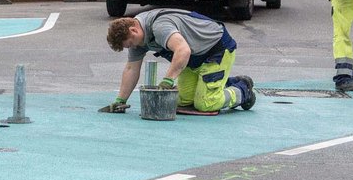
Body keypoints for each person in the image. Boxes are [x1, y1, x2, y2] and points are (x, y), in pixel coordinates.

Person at [101, 9, 255, 114]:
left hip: (216, 51)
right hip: (193, 60)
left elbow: (183, 50)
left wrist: (167, 81)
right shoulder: (138, 37)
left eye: (131, 43)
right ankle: (220, 83)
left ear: (133, 30)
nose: (133, 47)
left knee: (206, 104)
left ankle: (242, 90)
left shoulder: (159, 26)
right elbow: (131, 69)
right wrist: (120, 100)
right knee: (181, 100)